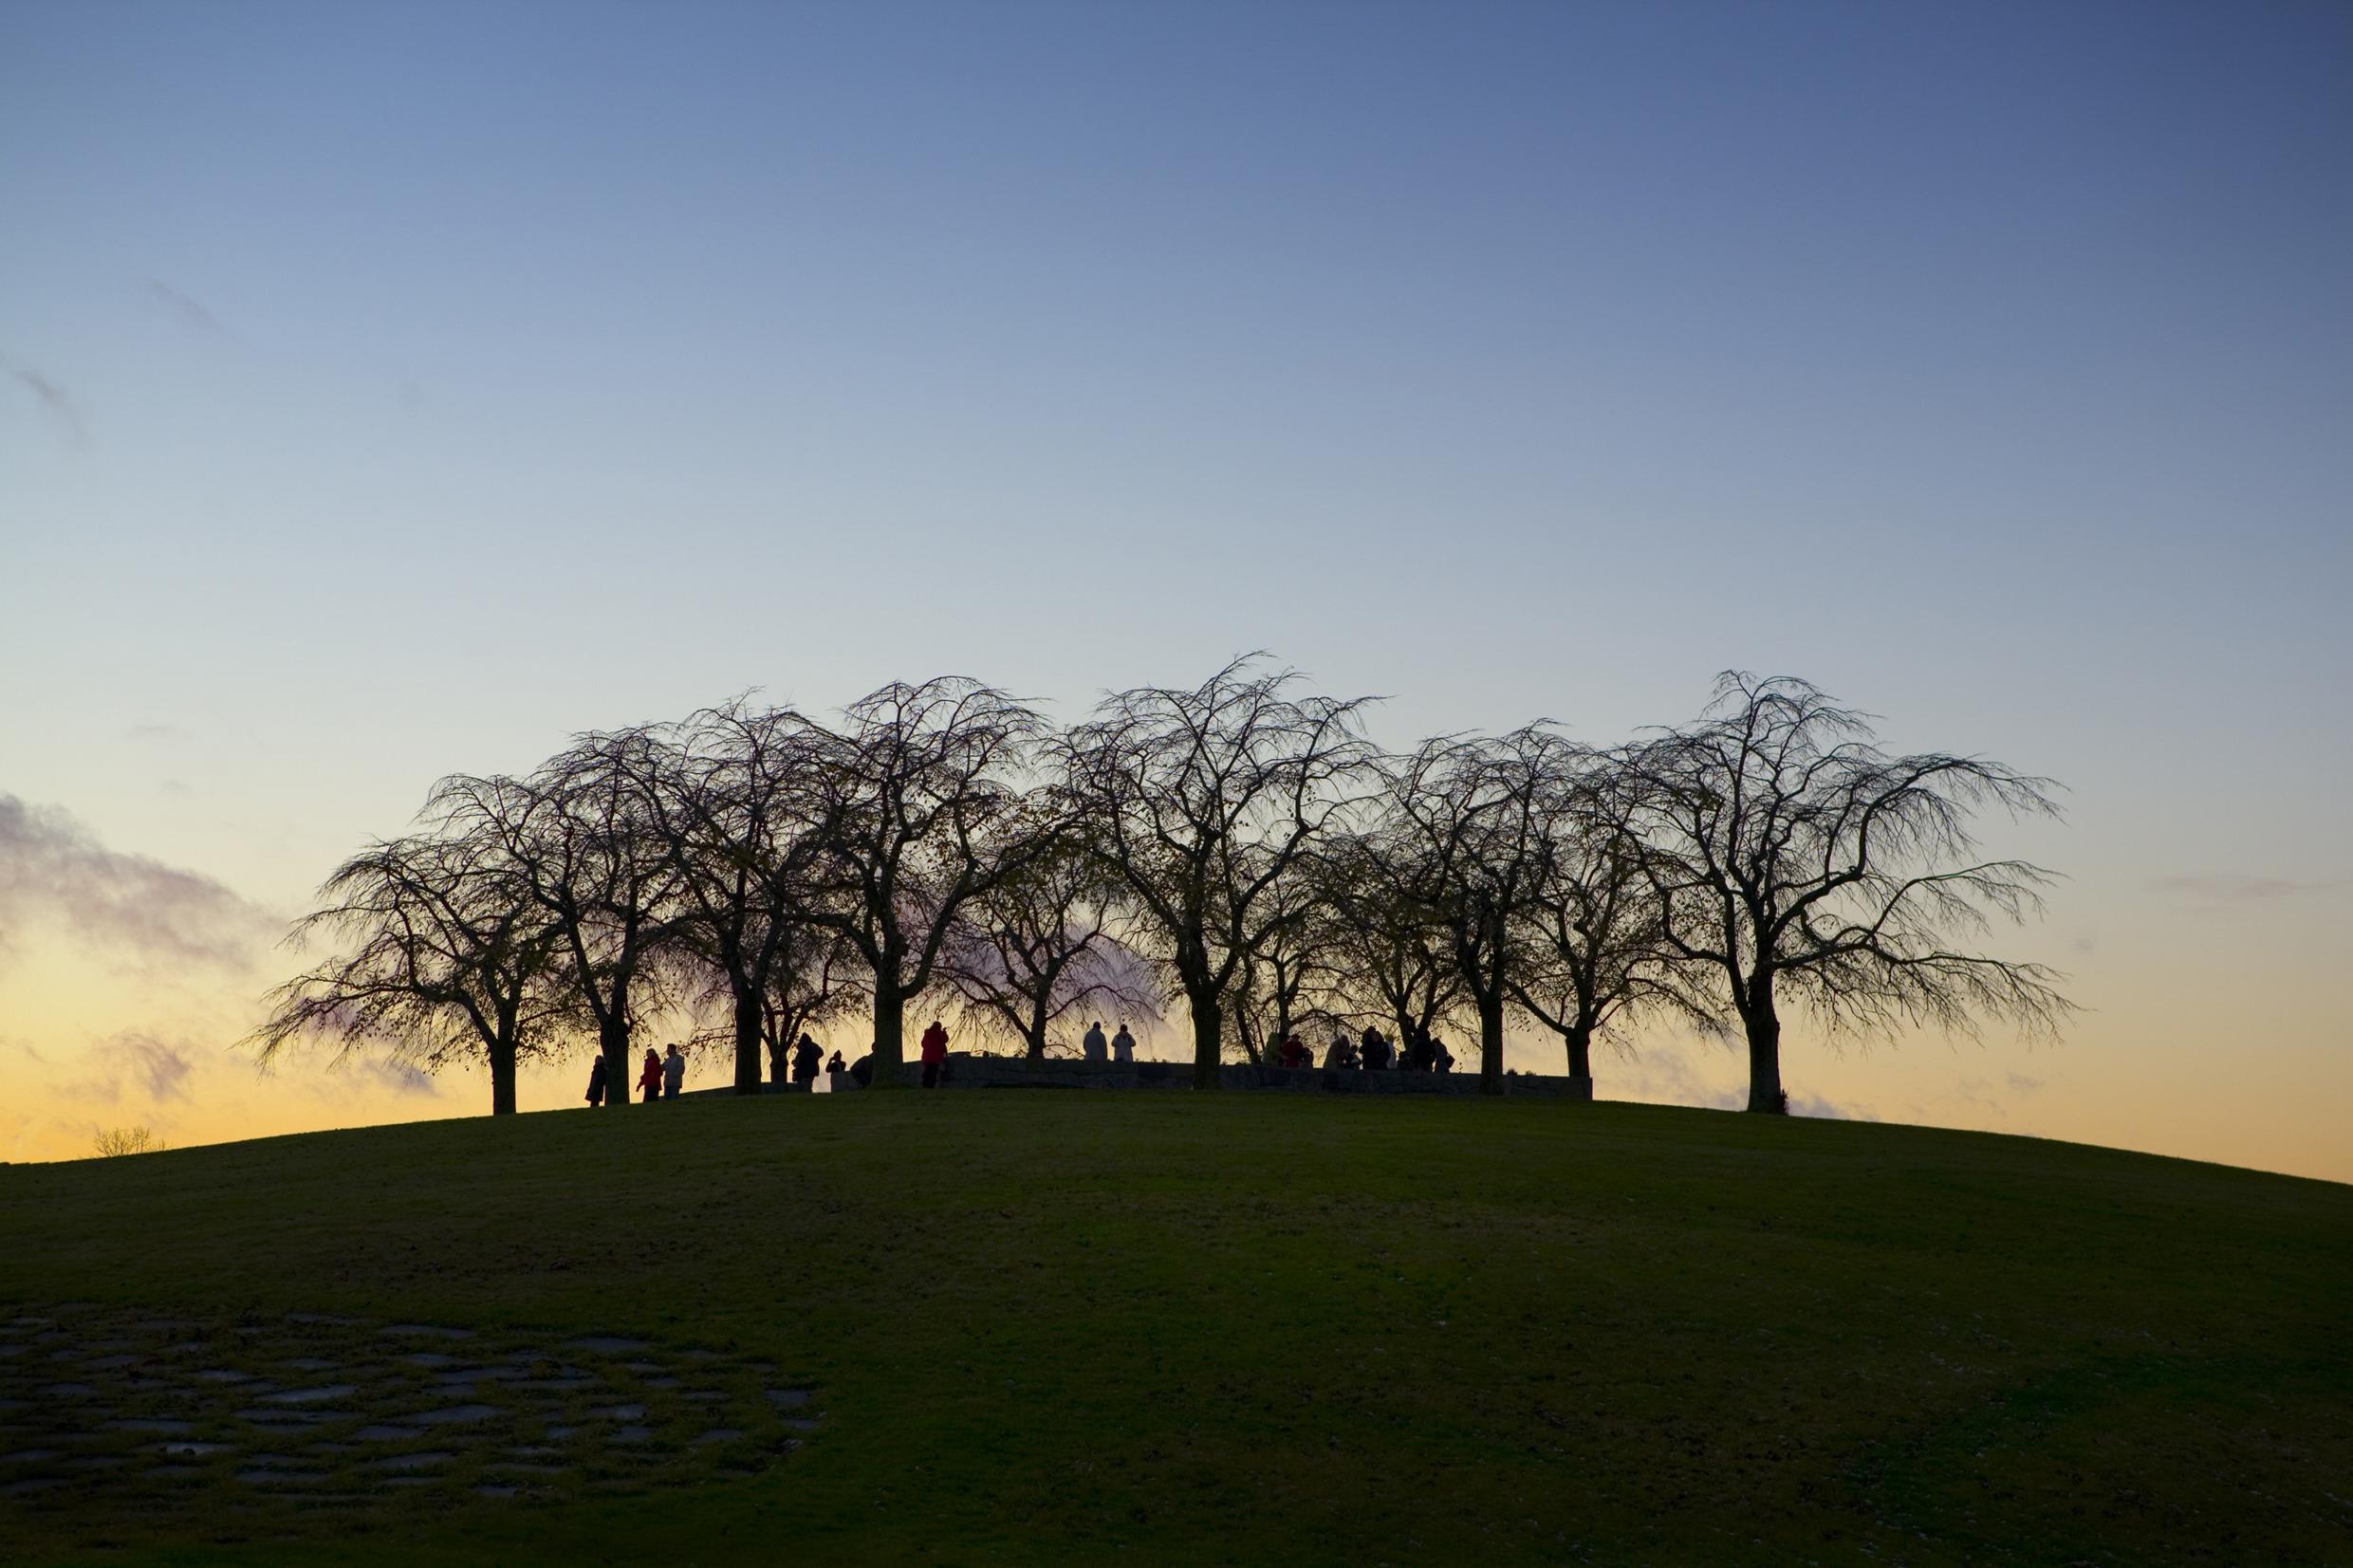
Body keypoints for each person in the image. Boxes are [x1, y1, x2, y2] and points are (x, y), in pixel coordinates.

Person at [918, 1019, 949, 1088]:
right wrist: (944, 1032)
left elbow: (923, 1044)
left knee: (927, 1071)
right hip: (936, 1058)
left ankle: (925, 1085)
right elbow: (945, 1039)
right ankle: (931, 1086)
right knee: (933, 1072)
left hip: (926, 1057)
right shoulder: (939, 1034)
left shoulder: (927, 1034)